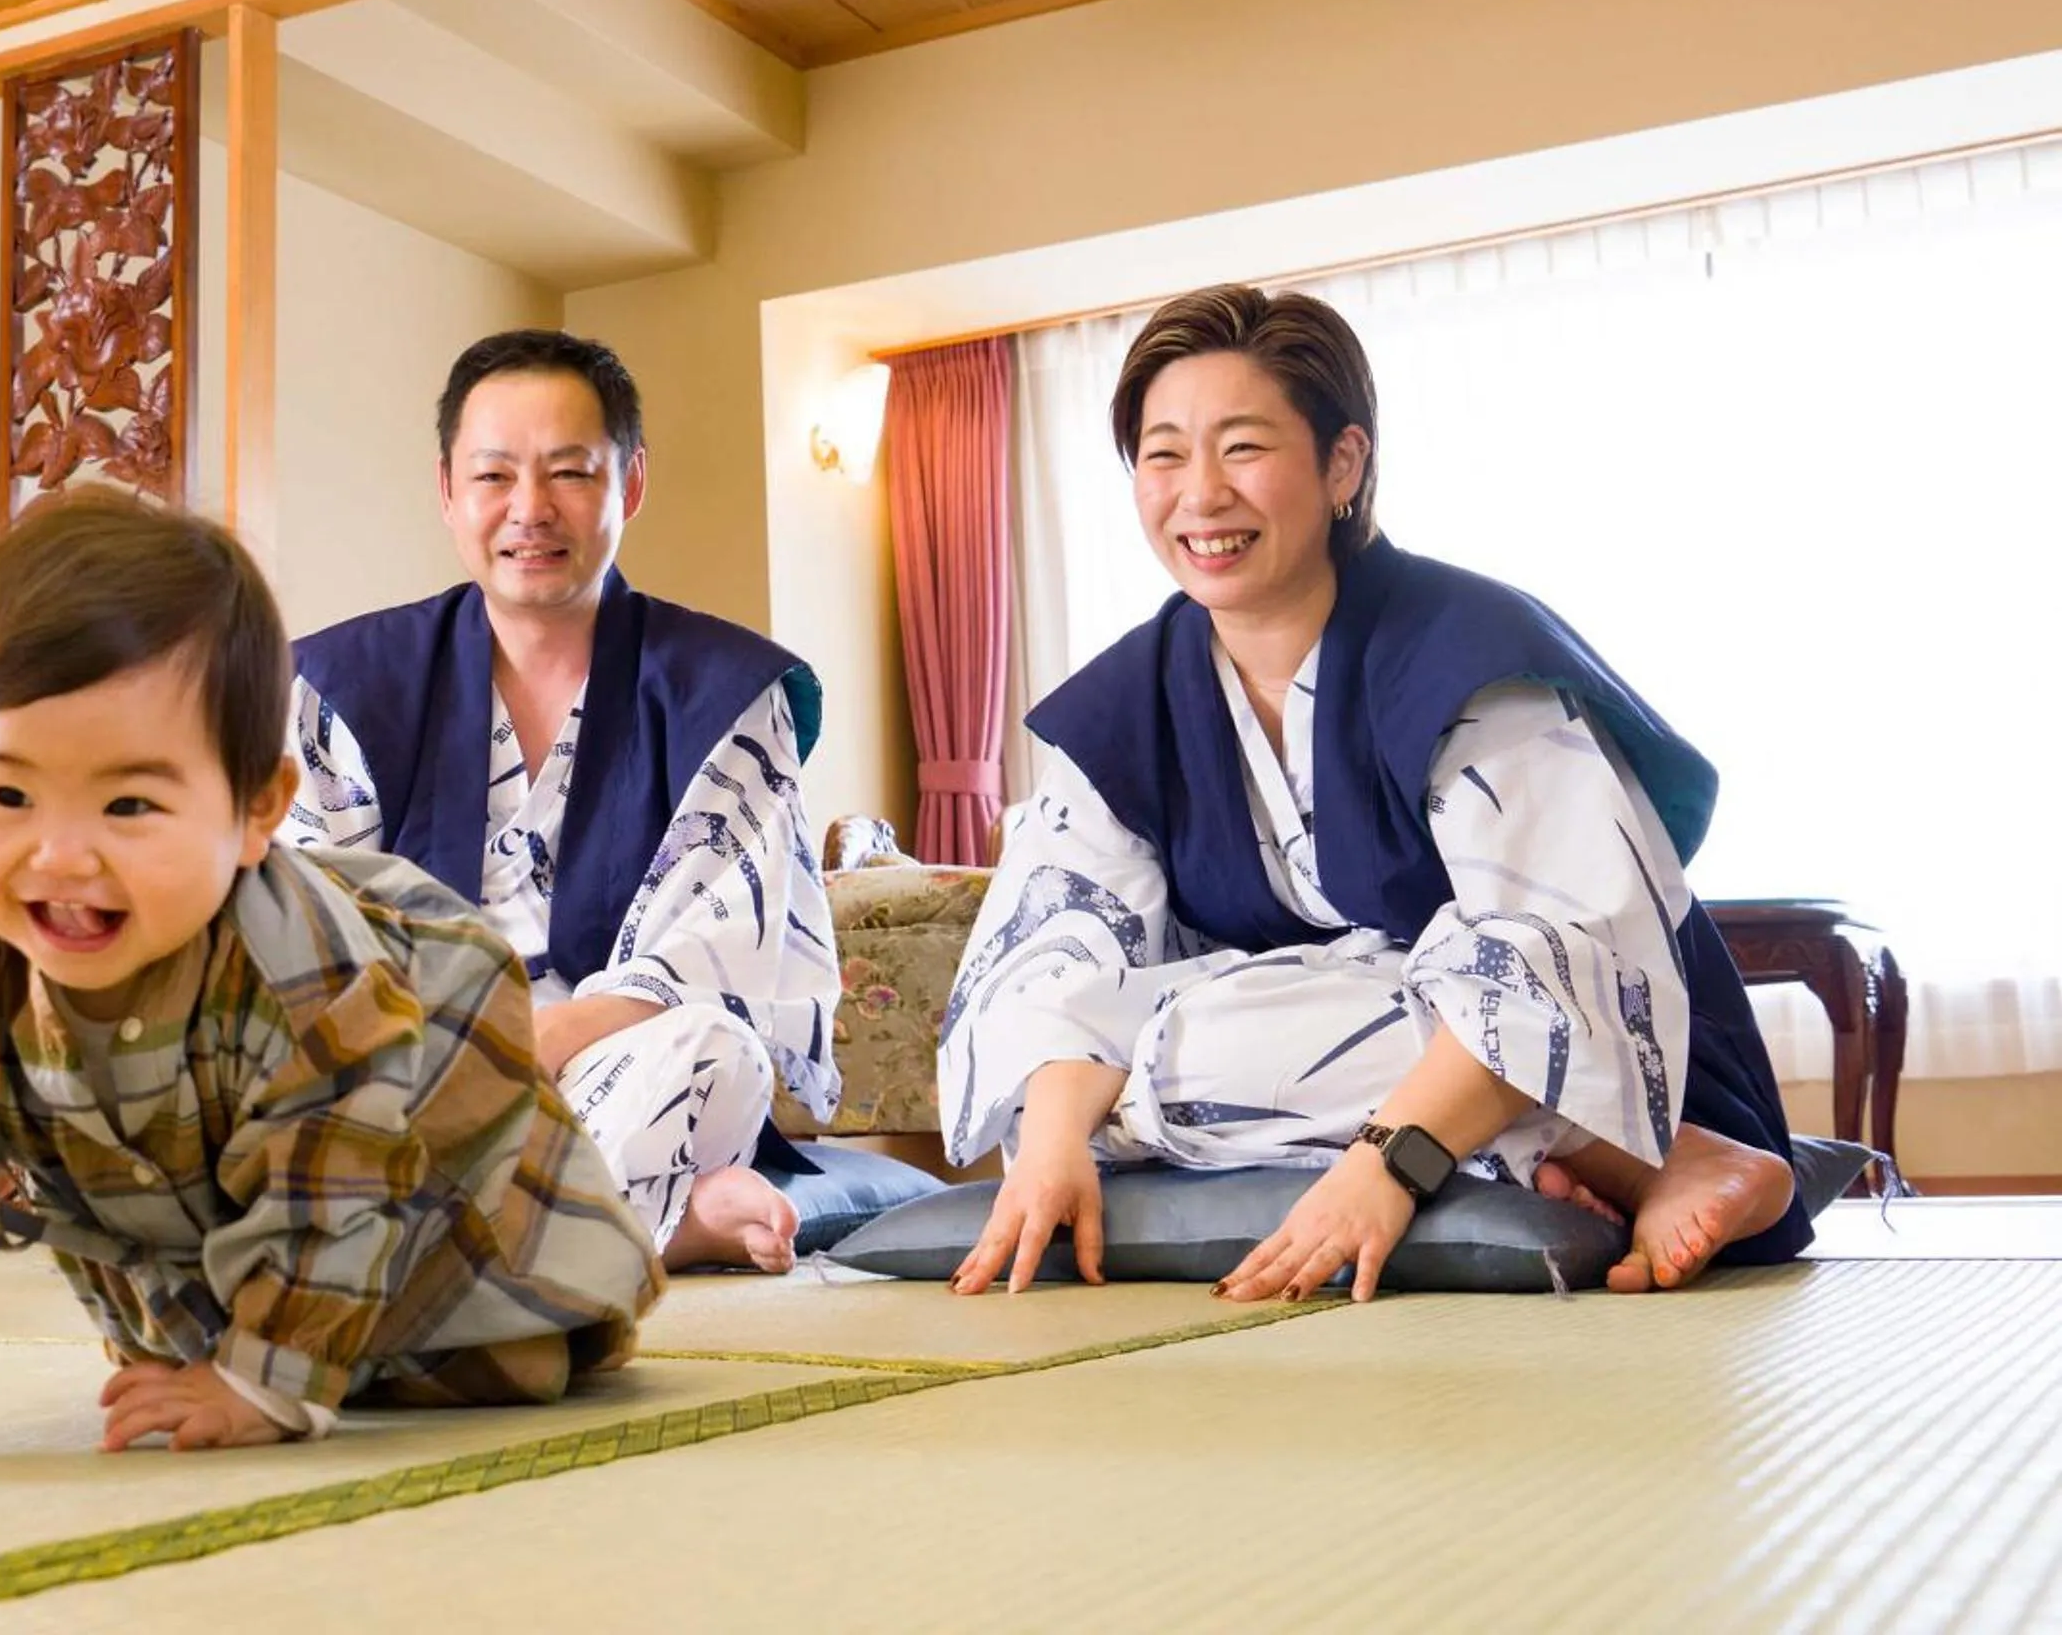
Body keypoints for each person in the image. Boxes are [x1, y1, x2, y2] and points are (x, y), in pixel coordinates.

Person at [0, 488, 660, 1450]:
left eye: (129, 806)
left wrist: (264, 1383)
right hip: (182, 1230)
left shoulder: (299, 973)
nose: (61, 857)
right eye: (7, 792)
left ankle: (395, 1335)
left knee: (490, 1363)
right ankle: (265, 1333)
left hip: (413, 1169)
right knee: (184, 1347)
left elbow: (330, 1190)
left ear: (258, 808)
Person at [940, 285, 1808, 1303]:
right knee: (1171, 1049)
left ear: (1341, 463)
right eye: (1164, 454)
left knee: (1260, 1042)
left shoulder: (1475, 658)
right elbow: (1051, 955)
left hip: (1542, 1045)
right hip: (1318, 1036)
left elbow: (1560, 955)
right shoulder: (1125, 704)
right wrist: (1050, 1146)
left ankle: (1667, 1158)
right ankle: (1529, 1158)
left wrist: (1385, 1168)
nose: (1201, 495)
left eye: (1244, 448)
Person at [283, 329, 839, 1276]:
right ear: (448, 491)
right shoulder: (340, 684)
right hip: (413, 1064)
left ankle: (433, 1246)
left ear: (629, 485)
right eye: (495, 476)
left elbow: (710, 947)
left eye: (569, 473)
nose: (529, 511)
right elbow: (309, 925)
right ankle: (667, 1225)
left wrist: (523, 1052)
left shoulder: (728, 690)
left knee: (715, 1054)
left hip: (616, 1060)